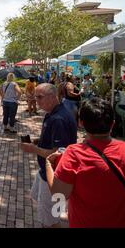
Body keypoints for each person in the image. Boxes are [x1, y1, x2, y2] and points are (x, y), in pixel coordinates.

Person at [46, 98, 125, 227]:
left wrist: (48, 164)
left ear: (81, 123)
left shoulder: (73, 154)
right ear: (112, 124)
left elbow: (58, 193)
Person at [20, 83, 77, 228]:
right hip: (45, 172)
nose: (36, 100)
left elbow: (57, 153)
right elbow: (53, 142)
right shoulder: (52, 113)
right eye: (35, 97)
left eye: (39, 97)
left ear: (52, 97)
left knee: (50, 220)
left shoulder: (58, 119)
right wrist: (39, 141)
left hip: (53, 175)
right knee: (41, 201)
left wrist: (33, 149)